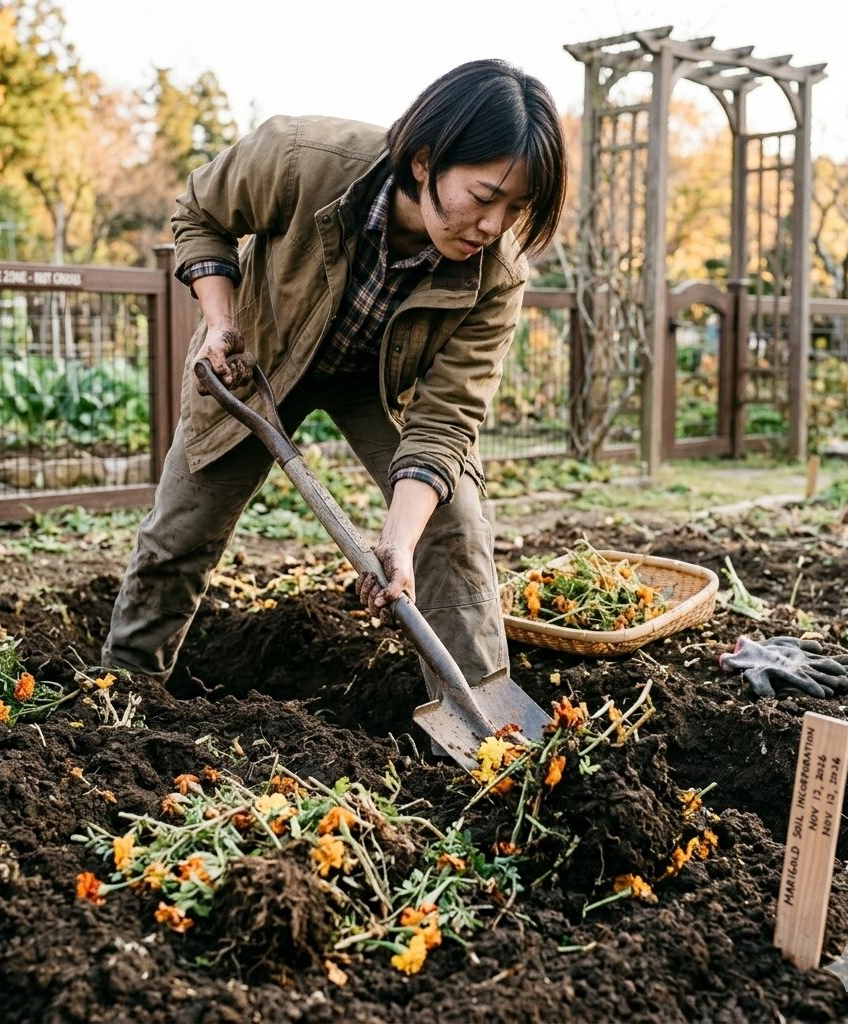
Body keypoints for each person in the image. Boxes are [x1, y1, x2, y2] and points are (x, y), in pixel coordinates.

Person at [101, 59, 568, 715]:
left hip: (385, 386)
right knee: (182, 528)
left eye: (517, 208)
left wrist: (397, 545)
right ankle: (121, 698)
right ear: (425, 162)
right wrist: (220, 323)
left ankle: (483, 723)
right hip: (259, 360)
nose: (494, 226)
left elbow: (446, 420)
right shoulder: (300, 158)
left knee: (453, 527)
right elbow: (200, 212)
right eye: (486, 196)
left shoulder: (498, 275)